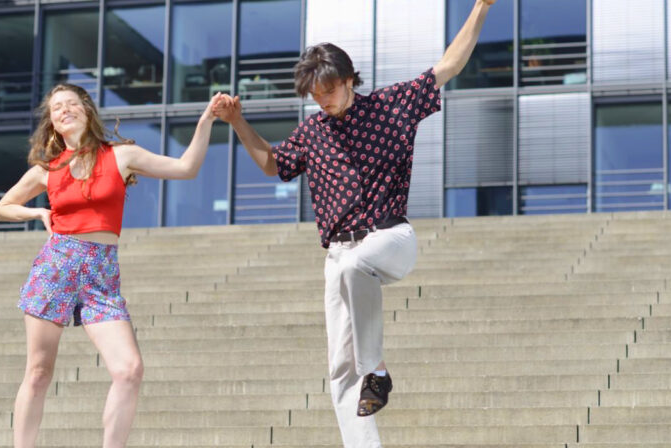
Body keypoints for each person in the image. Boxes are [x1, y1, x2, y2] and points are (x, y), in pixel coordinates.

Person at [213, 1, 497, 446]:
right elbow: (273, 164)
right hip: (339, 251)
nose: (322, 101)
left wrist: (480, 7)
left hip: (391, 237)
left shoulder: (391, 106)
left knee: (355, 268)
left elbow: (449, 65)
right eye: (314, 95)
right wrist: (237, 121)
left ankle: (377, 370)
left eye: (328, 90)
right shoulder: (312, 133)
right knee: (339, 369)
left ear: (348, 80)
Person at [0, 84, 227, 448]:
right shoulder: (47, 170)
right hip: (57, 265)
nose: (64, 110)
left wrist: (206, 119)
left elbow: (186, 168)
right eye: (57, 108)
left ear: (87, 111)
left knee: (129, 369)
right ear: (52, 123)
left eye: (72, 103)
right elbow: (1, 207)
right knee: (38, 372)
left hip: (102, 273)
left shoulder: (121, 156)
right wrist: (37, 210)